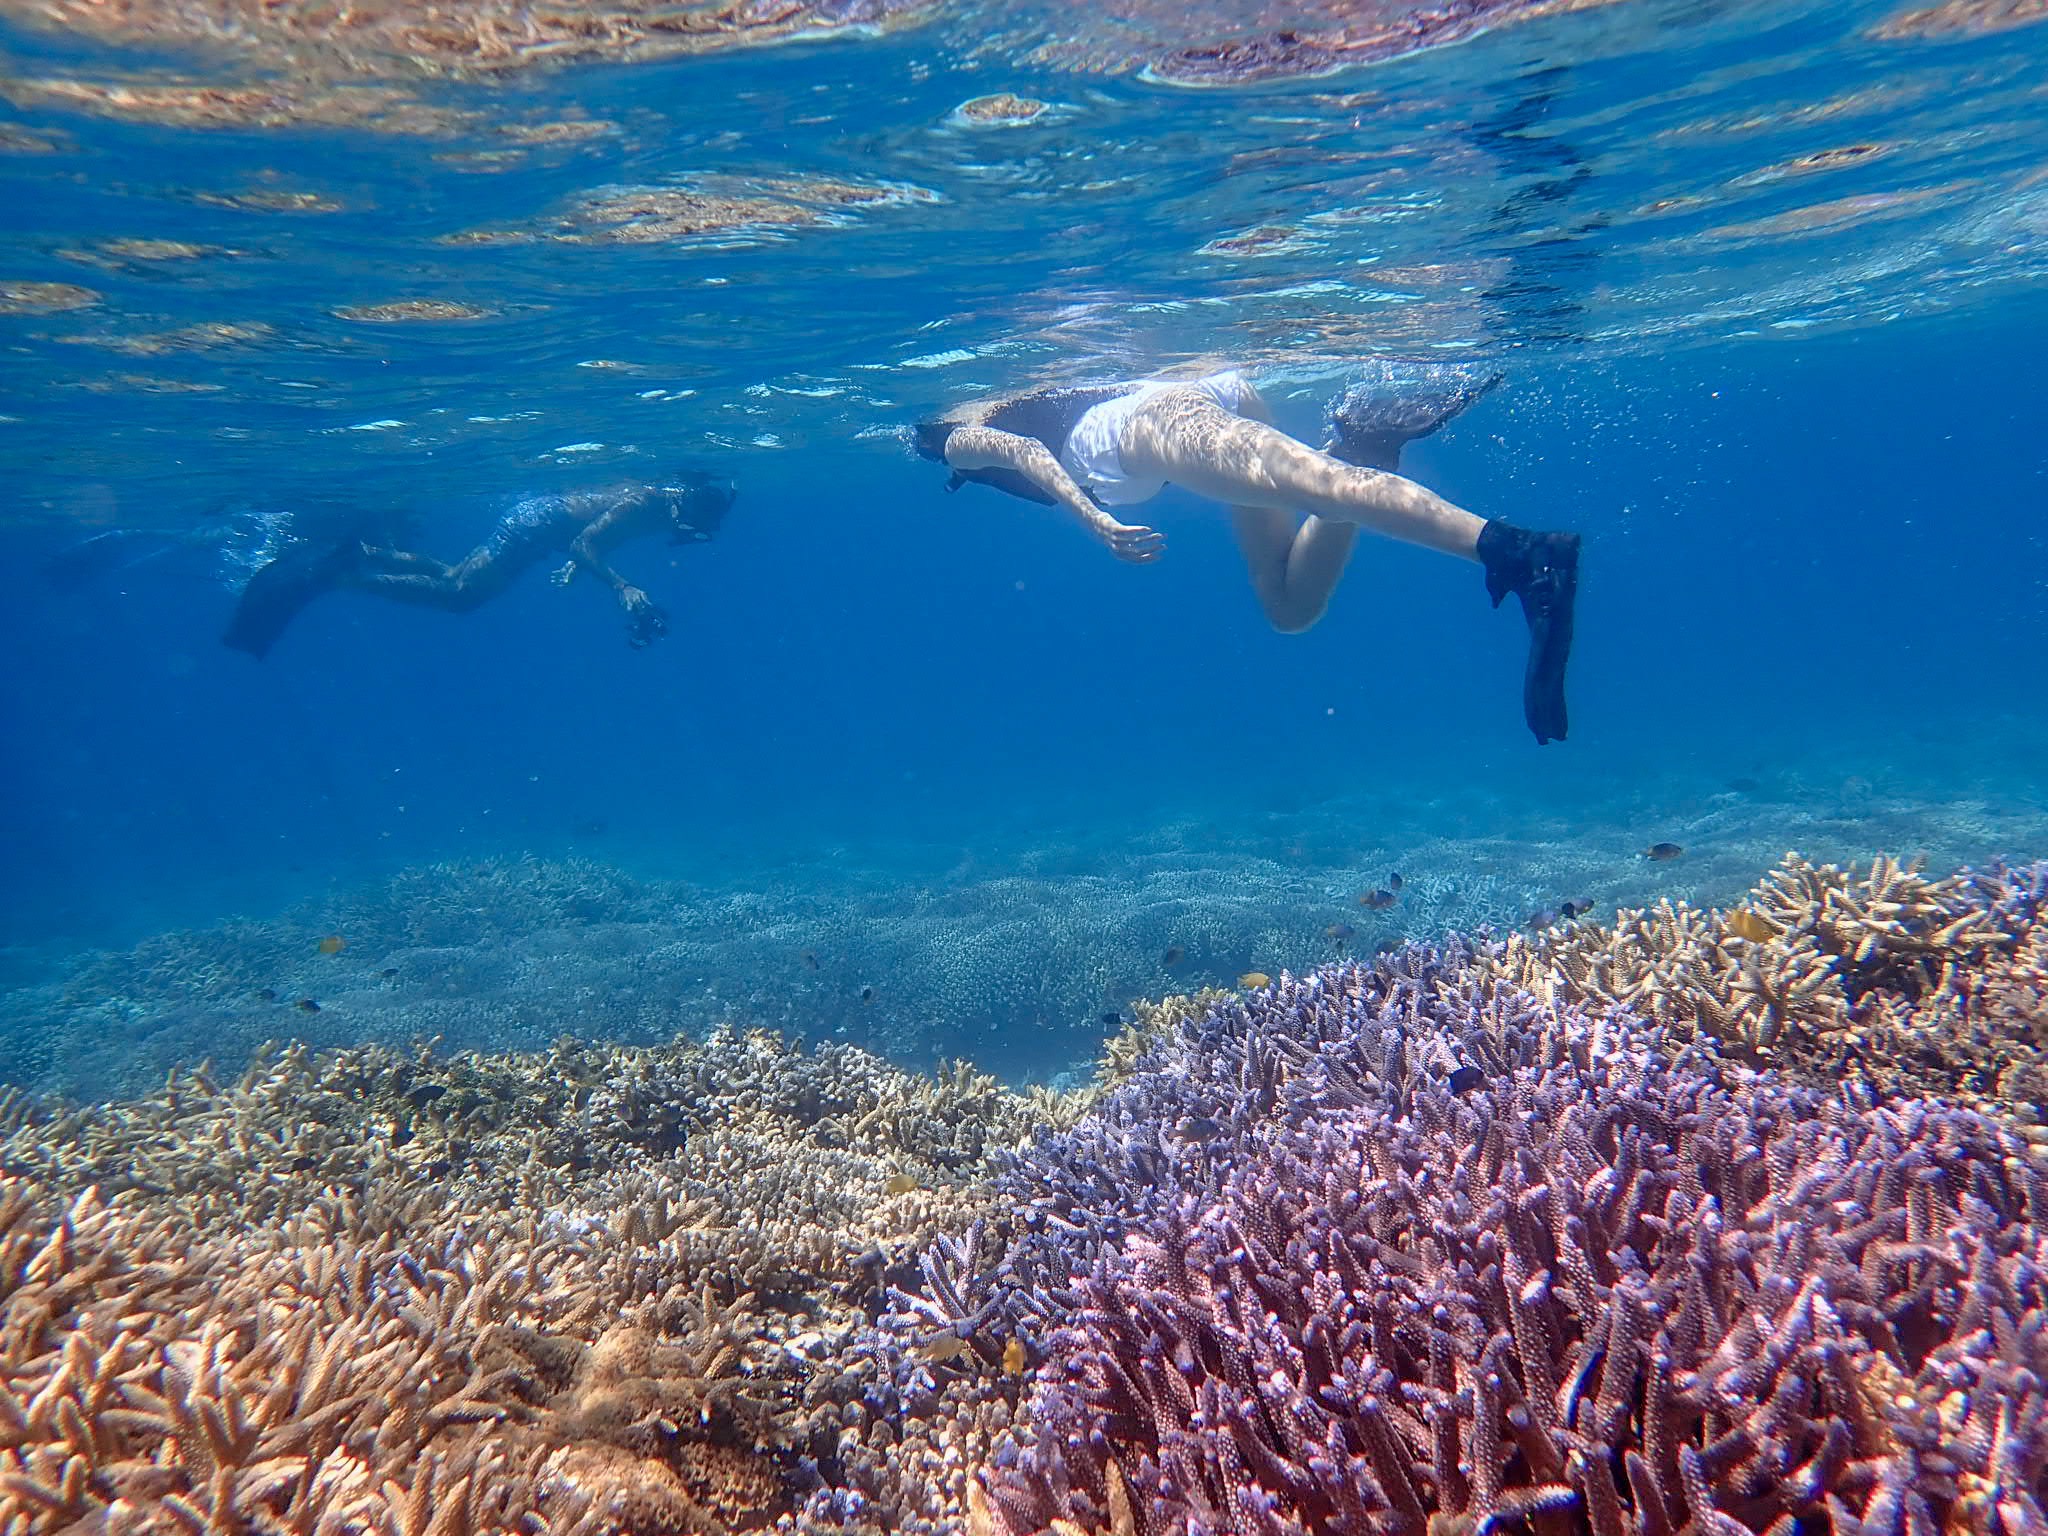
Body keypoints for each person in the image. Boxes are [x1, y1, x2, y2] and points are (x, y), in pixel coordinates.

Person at [911, 363, 1579, 745]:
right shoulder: (1018, 404)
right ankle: (1366, 447)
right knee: (1290, 604)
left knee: (1311, 484)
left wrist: (1092, 518)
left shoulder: (956, 439)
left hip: (1151, 426)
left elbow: (1024, 454)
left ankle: (1515, 553)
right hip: (1200, 398)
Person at [222, 476, 735, 658]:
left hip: (539, 526)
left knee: (453, 576)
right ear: (690, 506)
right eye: (698, 523)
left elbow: (588, 539)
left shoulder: (654, 504)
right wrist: (620, 585)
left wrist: (581, 564)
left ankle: (367, 554)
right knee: (462, 597)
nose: (689, 534)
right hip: (535, 526)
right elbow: (585, 543)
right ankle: (344, 575)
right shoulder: (647, 503)